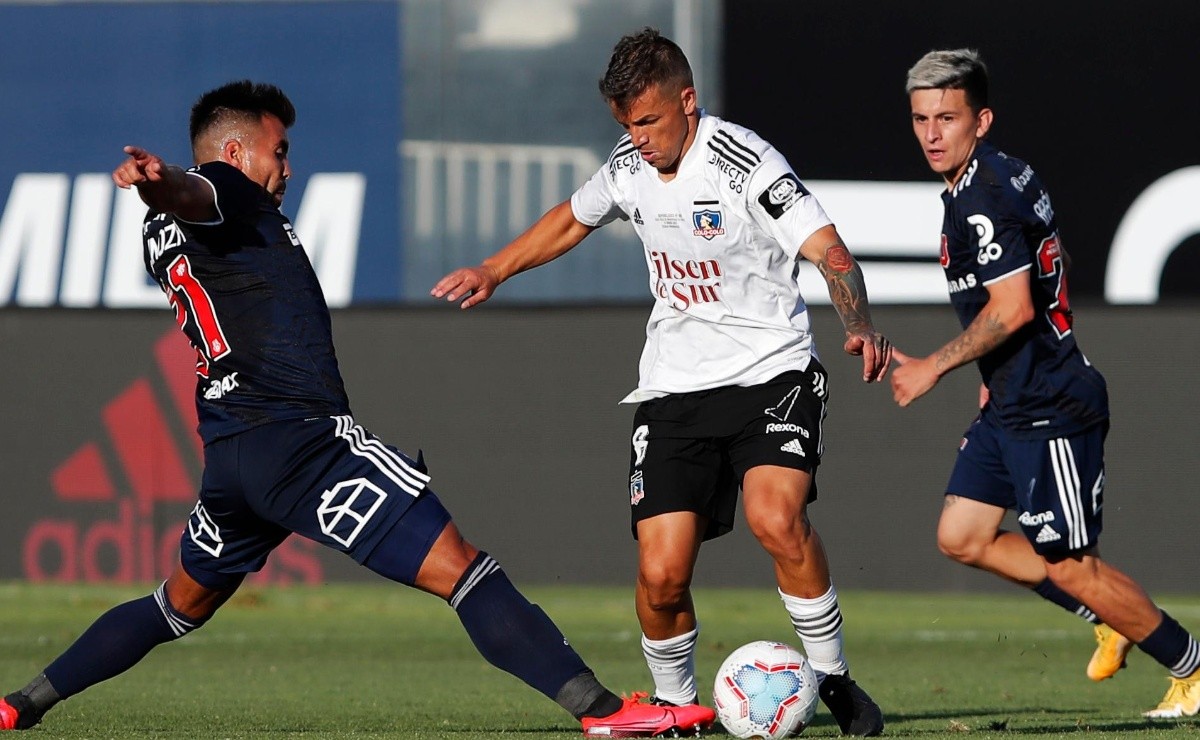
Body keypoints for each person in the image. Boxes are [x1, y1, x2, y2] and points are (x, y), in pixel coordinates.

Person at [0, 80, 716, 739]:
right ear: (235, 152)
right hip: (302, 444)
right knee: (464, 571)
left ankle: (18, 703)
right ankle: (604, 712)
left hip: (232, 456)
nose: (287, 168)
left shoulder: (169, 237)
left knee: (174, 605)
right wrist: (165, 185)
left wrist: (163, 196)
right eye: (278, 152)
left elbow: (187, 215)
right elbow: (200, 194)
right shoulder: (228, 189)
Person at [434, 29, 888, 737]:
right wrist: (494, 269)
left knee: (777, 520)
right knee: (661, 573)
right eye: (626, 125)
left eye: (648, 121)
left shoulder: (743, 162)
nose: (638, 139)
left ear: (688, 100)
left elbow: (828, 249)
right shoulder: (627, 166)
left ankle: (832, 677)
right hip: (675, 388)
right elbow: (569, 220)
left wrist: (855, 321)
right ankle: (676, 707)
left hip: (772, 370)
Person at [891, 48, 1200, 719]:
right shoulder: (1003, 173)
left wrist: (931, 367)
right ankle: (1109, 617)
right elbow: (1040, 284)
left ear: (983, 118)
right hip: (1010, 394)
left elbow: (1014, 308)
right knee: (964, 534)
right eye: (921, 118)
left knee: (1071, 564)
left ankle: (1191, 667)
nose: (932, 133)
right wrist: (992, 372)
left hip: (1050, 404)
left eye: (948, 116)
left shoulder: (981, 195)